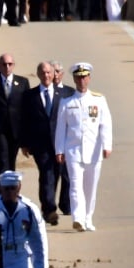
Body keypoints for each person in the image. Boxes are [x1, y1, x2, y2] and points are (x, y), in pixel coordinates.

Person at [55, 62, 112, 232]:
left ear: (89, 78)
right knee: (75, 185)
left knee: (90, 187)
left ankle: (88, 218)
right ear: (74, 79)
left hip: (94, 150)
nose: (81, 80)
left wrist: (107, 144)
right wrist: (59, 150)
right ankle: (78, 218)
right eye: (78, 77)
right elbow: (60, 128)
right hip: (73, 150)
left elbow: (105, 124)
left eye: (84, 77)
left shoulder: (99, 100)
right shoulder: (66, 102)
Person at [20, 61, 65, 225]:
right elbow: (23, 120)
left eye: (49, 73)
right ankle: (50, 209)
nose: (46, 76)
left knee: (56, 174)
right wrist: (24, 143)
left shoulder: (63, 95)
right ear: (38, 75)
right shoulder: (29, 96)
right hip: (39, 144)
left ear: (54, 75)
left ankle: (47, 205)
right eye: (43, 73)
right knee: (47, 174)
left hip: (59, 143)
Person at [0, 53, 30, 196]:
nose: (7, 67)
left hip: (15, 130)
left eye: (10, 64)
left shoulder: (22, 83)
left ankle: (12, 189)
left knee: (11, 160)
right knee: (2, 158)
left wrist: (27, 134)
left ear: (13, 65)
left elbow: (27, 109)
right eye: (4, 64)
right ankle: (0, 192)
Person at [50, 60, 74, 215]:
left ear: (62, 74)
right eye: (54, 71)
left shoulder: (69, 92)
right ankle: (49, 204)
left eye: (58, 71)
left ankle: (65, 204)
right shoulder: (44, 90)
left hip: (67, 140)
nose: (56, 75)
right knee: (51, 176)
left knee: (67, 175)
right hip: (50, 141)